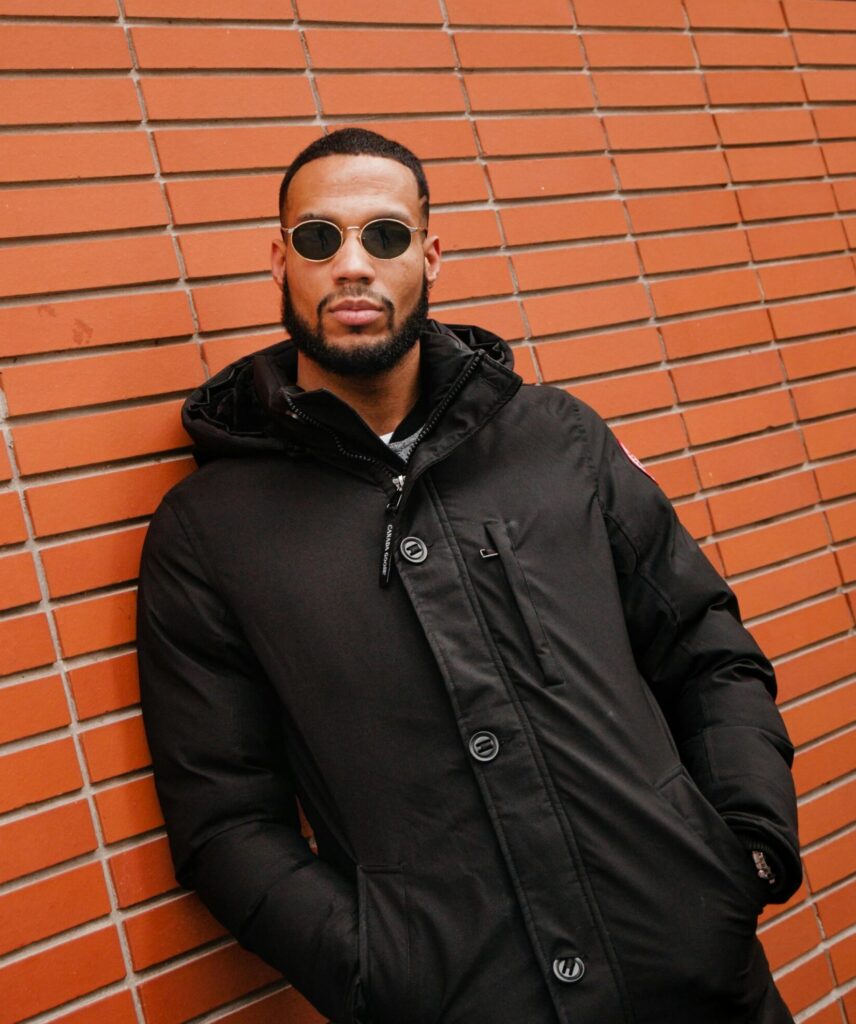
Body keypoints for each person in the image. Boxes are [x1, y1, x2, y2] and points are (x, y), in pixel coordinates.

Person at [137, 127, 802, 1024]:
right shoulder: (209, 530)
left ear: (431, 253)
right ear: (278, 260)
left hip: (700, 982)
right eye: (318, 238)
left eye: (384, 235)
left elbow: (706, 647)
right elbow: (223, 820)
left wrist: (746, 848)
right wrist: (381, 974)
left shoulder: (556, 438)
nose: (352, 266)